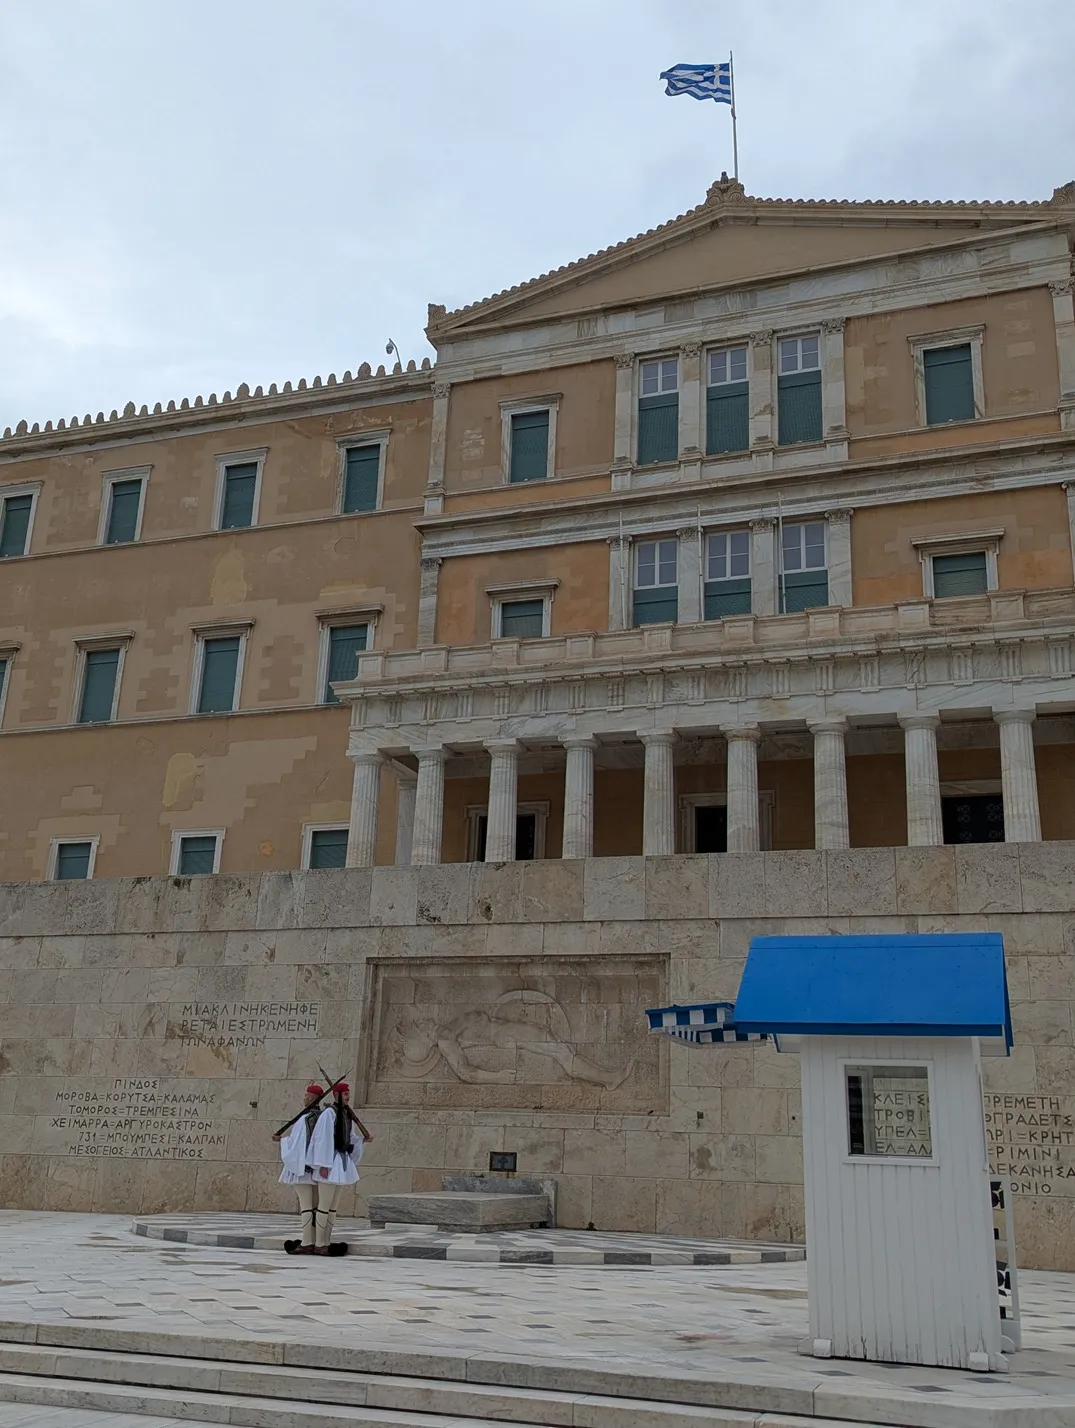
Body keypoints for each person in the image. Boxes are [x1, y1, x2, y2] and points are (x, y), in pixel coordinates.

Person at [308, 1082, 373, 1256]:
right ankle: (319, 1243)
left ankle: (327, 1241)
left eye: (348, 1094)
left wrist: (362, 1140)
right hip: (329, 1163)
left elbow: (350, 1138)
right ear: (336, 1095)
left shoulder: (345, 1114)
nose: (348, 1097)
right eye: (345, 1094)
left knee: (333, 1206)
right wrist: (322, 1164)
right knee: (324, 1204)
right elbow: (322, 1140)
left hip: (341, 1163)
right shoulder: (329, 1114)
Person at [272, 1081, 331, 1255]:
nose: (304, 1098)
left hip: (302, 1169)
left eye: (306, 1095)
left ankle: (306, 1242)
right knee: (314, 1206)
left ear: (312, 1098)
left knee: (306, 1207)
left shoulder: (305, 1119)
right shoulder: (322, 1117)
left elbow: (297, 1144)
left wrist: (281, 1141)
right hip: (315, 1169)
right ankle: (317, 1240)